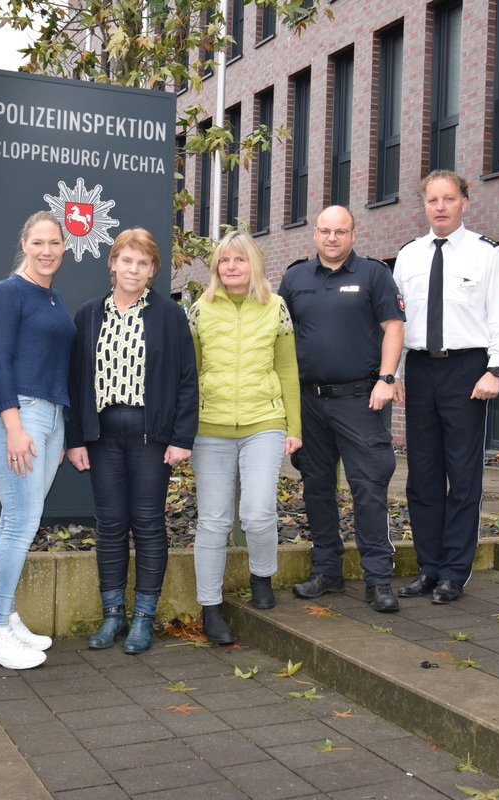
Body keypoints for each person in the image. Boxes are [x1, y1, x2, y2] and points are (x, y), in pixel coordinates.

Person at [392, 170, 499, 604]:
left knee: (463, 477)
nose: (440, 207)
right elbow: (395, 323)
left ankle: (454, 572)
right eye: (432, 200)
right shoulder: (408, 255)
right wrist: (391, 373)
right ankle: (429, 568)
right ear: (424, 205)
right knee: (422, 475)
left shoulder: (487, 254)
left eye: (449, 199)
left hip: (468, 370)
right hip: (421, 370)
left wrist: (496, 369)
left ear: (465, 202)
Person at [66, 228, 198, 654]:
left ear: (153, 270)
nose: (134, 269)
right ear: (113, 264)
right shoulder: (88, 314)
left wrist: (180, 438)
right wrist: (75, 439)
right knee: (109, 527)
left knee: (147, 523)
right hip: (102, 434)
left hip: (150, 436)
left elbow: (185, 380)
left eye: (143, 263)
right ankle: (113, 616)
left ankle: (143, 618)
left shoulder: (168, 315)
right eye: (127, 260)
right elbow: (74, 382)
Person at [277, 205, 405, 613]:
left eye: (340, 232)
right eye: (325, 231)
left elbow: (393, 326)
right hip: (308, 401)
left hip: (359, 400)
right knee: (316, 488)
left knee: (368, 489)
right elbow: (279, 336)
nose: (332, 238)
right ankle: (327, 571)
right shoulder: (295, 278)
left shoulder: (374, 274)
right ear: (314, 234)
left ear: (354, 234)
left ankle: (379, 580)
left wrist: (387, 378)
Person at [0, 211, 75, 670]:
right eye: (38, 243)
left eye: (54, 243)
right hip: (22, 417)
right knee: (18, 523)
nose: (47, 251)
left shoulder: (51, 299)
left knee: (24, 521)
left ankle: (5, 617)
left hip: (51, 418)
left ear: (64, 248)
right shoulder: (7, 293)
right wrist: (13, 427)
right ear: (24, 243)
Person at [188, 230, 301, 644]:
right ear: (216, 267)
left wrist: (295, 428)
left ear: (254, 264)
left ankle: (262, 576)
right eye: (224, 261)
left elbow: (288, 369)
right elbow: (191, 373)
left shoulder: (276, 308)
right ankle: (210, 607)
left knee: (256, 512)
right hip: (210, 427)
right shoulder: (201, 309)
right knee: (214, 522)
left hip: (263, 423)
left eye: (240, 260)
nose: (232, 267)